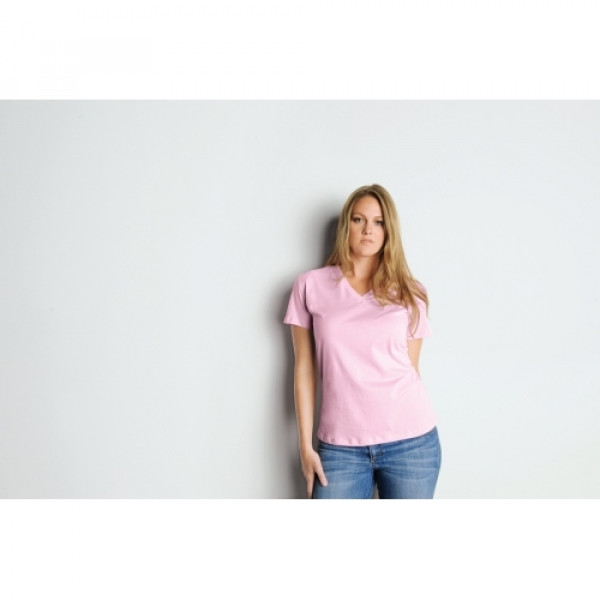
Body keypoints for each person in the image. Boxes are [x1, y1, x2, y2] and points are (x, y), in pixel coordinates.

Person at [283, 184, 441, 499]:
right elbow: (304, 369)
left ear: (389, 230)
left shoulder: (411, 292)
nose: (368, 229)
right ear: (347, 225)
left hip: (411, 444)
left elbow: (411, 368)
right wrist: (305, 447)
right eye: (359, 220)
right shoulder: (310, 285)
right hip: (340, 449)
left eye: (378, 222)